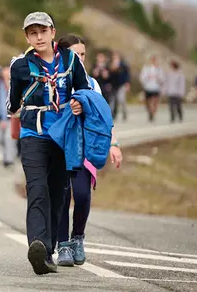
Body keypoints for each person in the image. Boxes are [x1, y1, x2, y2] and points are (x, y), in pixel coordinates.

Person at [7, 12, 91, 275]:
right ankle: (38, 245)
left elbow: (85, 90)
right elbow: (13, 103)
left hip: (63, 135)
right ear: (27, 37)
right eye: (33, 33)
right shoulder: (20, 66)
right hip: (33, 133)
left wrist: (79, 103)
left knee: (57, 193)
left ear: (53, 32)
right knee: (37, 189)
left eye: (43, 31)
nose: (39, 37)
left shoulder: (71, 60)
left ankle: (49, 248)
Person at [53, 34, 123, 268]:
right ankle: (63, 245)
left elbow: (103, 119)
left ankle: (77, 238)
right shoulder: (55, 80)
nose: (80, 58)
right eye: (76, 54)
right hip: (61, 146)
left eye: (83, 54)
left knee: (82, 195)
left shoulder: (92, 84)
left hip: (85, 146)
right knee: (62, 196)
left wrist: (113, 144)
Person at [139, 55, 165, 122]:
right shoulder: (146, 68)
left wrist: (158, 78)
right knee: (147, 101)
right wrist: (147, 78)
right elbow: (142, 77)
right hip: (148, 87)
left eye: (154, 60)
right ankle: (150, 112)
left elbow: (162, 79)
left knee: (155, 101)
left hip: (156, 87)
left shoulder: (159, 69)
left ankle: (153, 113)